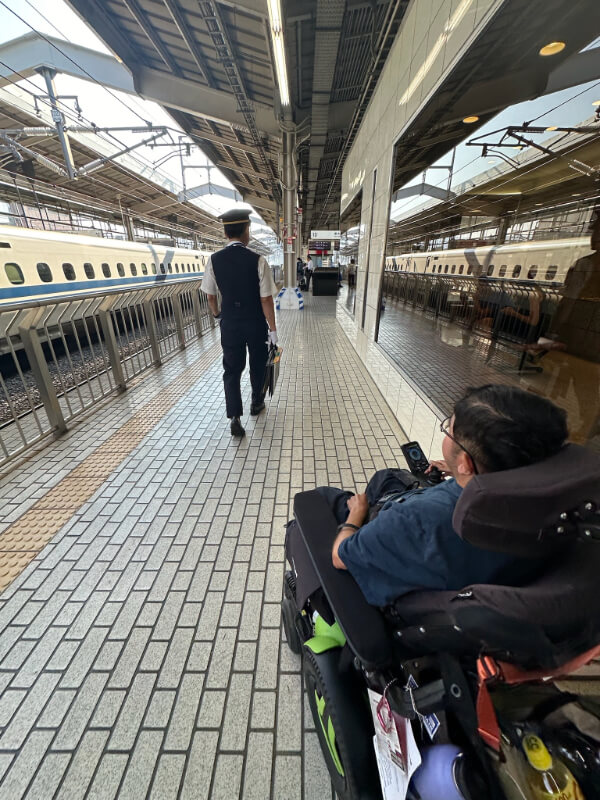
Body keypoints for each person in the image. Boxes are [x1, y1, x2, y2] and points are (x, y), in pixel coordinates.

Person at [286, 384, 568, 609]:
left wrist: (356, 515)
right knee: (387, 477)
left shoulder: (414, 520)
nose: (446, 433)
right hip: (469, 560)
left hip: (401, 550)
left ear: (467, 463)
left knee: (325, 498)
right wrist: (460, 478)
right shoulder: (556, 511)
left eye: (449, 430)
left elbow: (340, 557)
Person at [201, 209, 278, 438]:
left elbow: (211, 296)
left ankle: (235, 417)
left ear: (226, 233)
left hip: (230, 325)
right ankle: (256, 403)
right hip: (255, 323)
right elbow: (266, 299)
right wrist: (273, 329)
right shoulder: (258, 260)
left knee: (232, 370)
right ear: (246, 232)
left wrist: (217, 315)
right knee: (258, 363)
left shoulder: (213, 260)